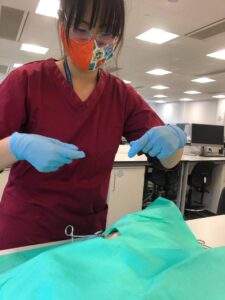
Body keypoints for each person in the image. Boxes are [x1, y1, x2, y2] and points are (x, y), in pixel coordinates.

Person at [0, 0, 186, 250]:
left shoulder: (121, 95)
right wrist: (16, 146)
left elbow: (168, 161)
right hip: (25, 235)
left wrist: (175, 142)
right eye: (81, 29)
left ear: (117, 38)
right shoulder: (27, 81)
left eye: (106, 33)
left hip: (85, 236)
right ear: (62, 24)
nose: (93, 43)